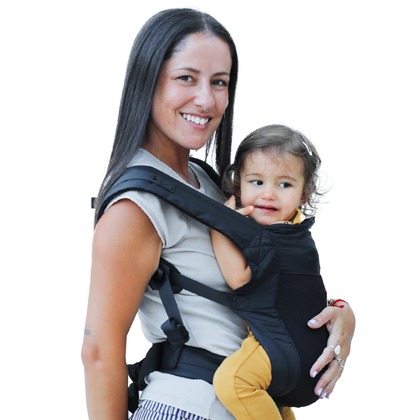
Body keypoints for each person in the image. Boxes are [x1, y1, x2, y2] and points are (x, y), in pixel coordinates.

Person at [81, 8, 356, 420]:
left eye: (219, 82)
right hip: (188, 406)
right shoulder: (134, 208)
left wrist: (340, 315)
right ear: (148, 79)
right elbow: (99, 351)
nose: (206, 100)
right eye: (186, 78)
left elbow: (274, 281)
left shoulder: (210, 185)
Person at [211, 124, 338, 419]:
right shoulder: (298, 233)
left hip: (281, 351)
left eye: (284, 185)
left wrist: (219, 226)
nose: (268, 194)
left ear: (304, 193)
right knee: (273, 405)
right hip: (307, 354)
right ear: (238, 185)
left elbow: (239, 279)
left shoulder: (273, 237)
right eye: (257, 182)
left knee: (233, 382)